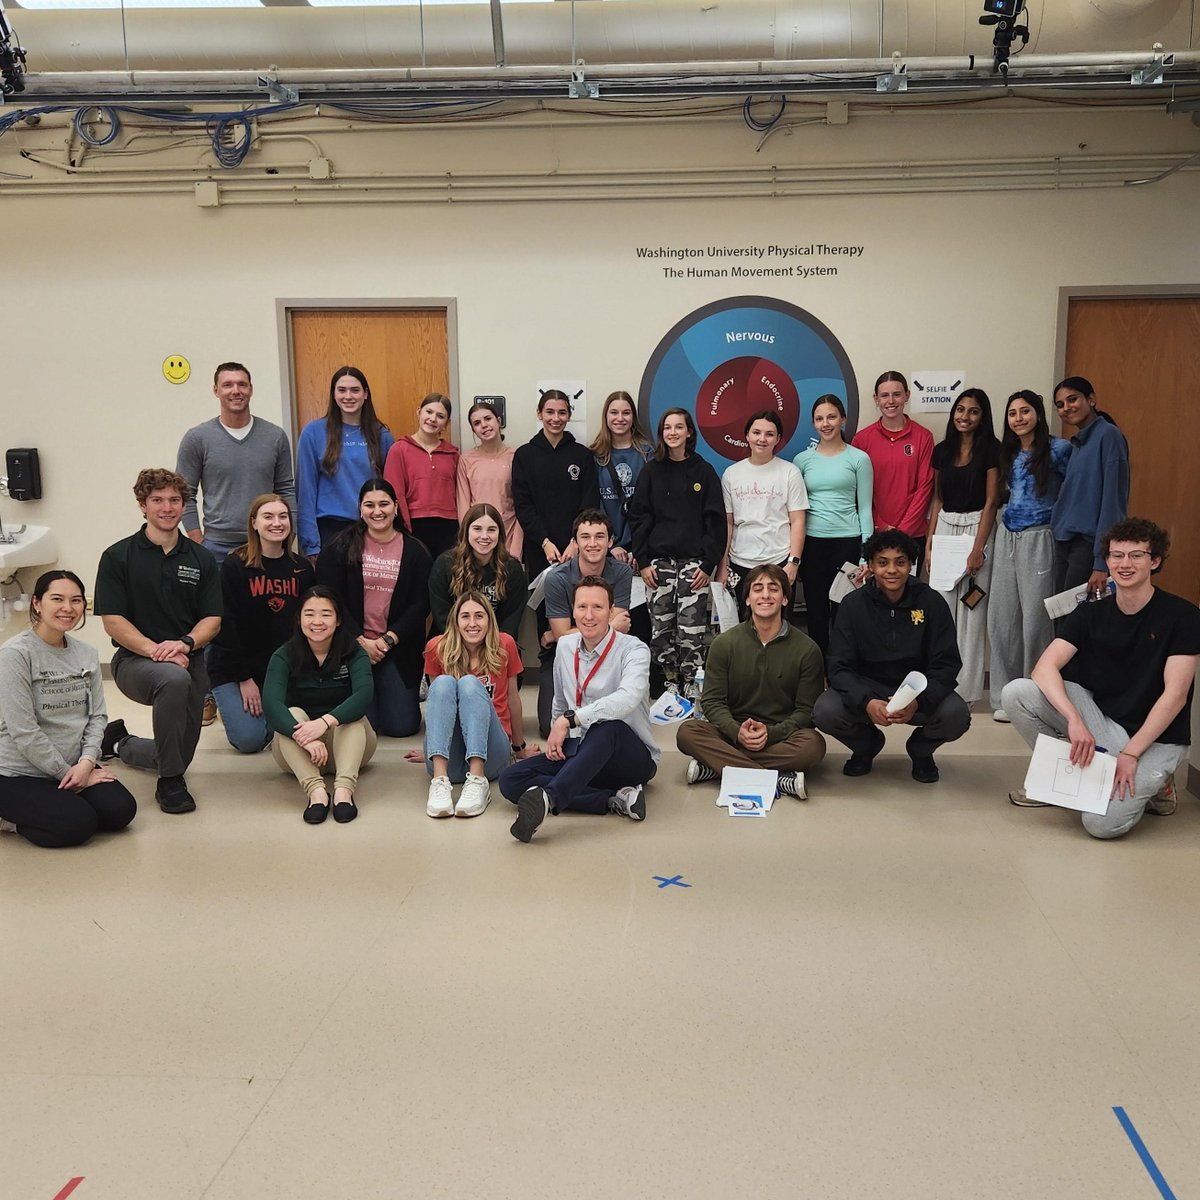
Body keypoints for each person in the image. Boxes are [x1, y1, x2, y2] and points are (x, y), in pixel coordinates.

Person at [1002, 518, 1199, 839]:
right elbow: (1044, 667)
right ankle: (1063, 778)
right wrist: (1074, 721)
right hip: (1102, 721)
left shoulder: (1183, 616)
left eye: (1136, 555)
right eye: (1117, 555)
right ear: (1106, 561)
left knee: (1100, 826)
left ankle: (1160, 785)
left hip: (1157, 738)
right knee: (1017, 693)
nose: (1125, 564)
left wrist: (1132, 753)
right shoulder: (1091, 611)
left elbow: (1175, 696)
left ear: (1155, 561)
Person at [95, 468, 222, 814]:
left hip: (188, 657)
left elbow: (212, 620)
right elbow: (112, 621)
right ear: (142, 505)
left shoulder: (201, 558)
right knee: (173, 678)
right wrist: (156, 650)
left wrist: (183, 644)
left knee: (179, 752)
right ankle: (169, 783)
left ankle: (120, 743)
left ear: (184, 506)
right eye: (157, 500)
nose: (167, 508)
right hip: (135, 661)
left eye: (174, 500)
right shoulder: (118, 556)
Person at [499, 575, 658, 843]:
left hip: (629, 757)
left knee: (607, 727)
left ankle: (549, 798)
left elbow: (627, 699)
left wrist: (572, 720)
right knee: (510, 780)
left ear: (611, 611)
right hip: (580, 751)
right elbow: (560, 702)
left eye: (597, 607)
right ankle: (612, 798)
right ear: (572, 611)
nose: (589, 615)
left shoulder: (634, 649)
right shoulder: (566, 646)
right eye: (582, 607)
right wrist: (554, 732)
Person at [814, 530, 970, 783]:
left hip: (917, 689)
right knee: (825, 711)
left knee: (957, 714)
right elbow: (839, 666)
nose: (892, 570)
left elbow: (946, 663)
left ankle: (921, 751)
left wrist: (918, 702)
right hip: (868, 685)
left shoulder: (932, 602)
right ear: (871, 566)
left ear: (910, 565)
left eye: (900, 562)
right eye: (882, 562)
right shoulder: (853, 605)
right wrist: (866, 702)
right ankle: (866, 746)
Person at [0, 571, 137, 848]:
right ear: (37, 603)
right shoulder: (15, 654)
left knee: (120, 811)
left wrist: (86, 764)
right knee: (77, 825)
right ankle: (8, 819)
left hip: (75, 766)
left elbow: (97, 717)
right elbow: (24, 732)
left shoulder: (86, 653)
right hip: (19, 772)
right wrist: (67, 775)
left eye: (76, 600)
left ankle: (61, 796)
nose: (68, 608)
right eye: (57, 599)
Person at [677, 564, 826, 797]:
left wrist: (771, 733)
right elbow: (713, 702)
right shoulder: (724, 644)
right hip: (732, 732)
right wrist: (737, 732)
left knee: (813, 745)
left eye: (773, 589)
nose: (765, 595)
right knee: (687, 732)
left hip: (781, 736)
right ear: (747, 599)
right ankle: (775, 779)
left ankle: (717, 767)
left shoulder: (807, 649)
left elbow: (807, 712)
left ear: (785, 599)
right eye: (758, 589)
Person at [316, 478, 431, 738]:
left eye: (384, 504)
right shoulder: (340, 547)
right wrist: (360, 641)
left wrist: (387, 640)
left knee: (401, 726)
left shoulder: (415, 551)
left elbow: (420, 603)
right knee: (365, 723)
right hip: (351, 645)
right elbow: (330, 599)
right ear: (360, 509)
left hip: (396, 648)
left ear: (396, 507)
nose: (377, 511)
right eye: (369, 505)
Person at [629, 406, 725, 698]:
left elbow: (716, 521)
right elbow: (639, 518)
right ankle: (670, 679)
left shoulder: (703, 471)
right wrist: (643, 562)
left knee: (692, 630)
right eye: (667, 428)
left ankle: (692, 681)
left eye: (678, 427)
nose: (673, 432)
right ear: (661, 434)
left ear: (689, 432)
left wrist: (708, 564)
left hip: (695, 565)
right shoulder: (651, 470)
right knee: (661, 629)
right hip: (658, 565)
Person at [987, 390, 1072, 721]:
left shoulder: (1058, 450)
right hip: (1007, 537)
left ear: (1038, 413)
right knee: (1002, 617)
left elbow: (1073, 493)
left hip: (1040, 538)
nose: (1019, 418)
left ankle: (1034, 694)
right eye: (1012, 413)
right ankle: (1004, 697)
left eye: (1025, 411)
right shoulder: (1006, 453)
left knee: (1036, 619)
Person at [208, 494, 316, 752]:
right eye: (268, 517)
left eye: (283, 516)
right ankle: (234, 708)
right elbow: (226, 626)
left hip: (282, 670)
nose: (276, 523)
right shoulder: (236, 565)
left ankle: (266, 711)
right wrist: (244, 679)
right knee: (250, 741)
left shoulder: (301, 568)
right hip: (237, 670)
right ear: (254, 523)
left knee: (300, 728)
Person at [263, 586, 376, 824]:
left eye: (326, 614)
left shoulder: (354, 652)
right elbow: (271, 705)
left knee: (352, 717)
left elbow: (364, 695)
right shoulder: (284, 655)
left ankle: (344, 792)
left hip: (347, 746)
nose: (317, 621)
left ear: (338, 620)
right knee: (291, 714)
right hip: (300, 751)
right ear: (299, 619)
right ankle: (317, 793)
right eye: (309, 613)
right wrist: (306, 737)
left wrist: (324, 723)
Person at [420, 592, 537, 819]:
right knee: (444, 683)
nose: (472, 624)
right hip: (451, 758)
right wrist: (431, 746)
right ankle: (439, 779)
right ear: (455, 621)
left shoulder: (505, 644)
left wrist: (519, 747)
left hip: (491, 755)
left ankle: (477, 780)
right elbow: (437, 704)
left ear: (489, 620)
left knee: (469, 684)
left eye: (479, 616)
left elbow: (513, 699)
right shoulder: (437, 647)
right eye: (465, 616)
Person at [176, 362, 297, 567]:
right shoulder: (197, 438)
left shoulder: (275, 436)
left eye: (242, 384)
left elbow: (285, 488)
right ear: (216, 390)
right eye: (227, 385)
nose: (236, 391)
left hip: (265, 544)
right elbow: (185, 493)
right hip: (216, 548)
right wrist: (198, 542)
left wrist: (288, 536)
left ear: (250, 389)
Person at [925, 388, 1000, 705]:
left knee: (971, 612)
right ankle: (940, 685)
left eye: (973, 411)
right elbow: (937, 499)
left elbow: (992, 501)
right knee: (941, 612)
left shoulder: (992, 450)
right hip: (945, 528)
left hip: (976, 529)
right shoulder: (943, 450)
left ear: (983, 417)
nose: (964, 416)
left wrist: (978, 548)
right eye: (960, 409)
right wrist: (929, 545)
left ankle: (966, 693)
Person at [538, 508, 634, 736]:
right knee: (546, 725)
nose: (593, 543)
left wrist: (560, 633)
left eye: (600, 536)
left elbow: (620, 628)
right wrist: (560, 635)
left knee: (614, 724)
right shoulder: (557, 578)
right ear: (575, 542)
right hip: (564, 654)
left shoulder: (622, 573)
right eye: (585, 537)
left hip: (608, 652)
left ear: (610, 541)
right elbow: (614, 625)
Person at [792, 395, 874, 657]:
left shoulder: (859, 458)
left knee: (845, 610)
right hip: (813, 544)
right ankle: (819, 671)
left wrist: (865, 554)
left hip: (847, 543)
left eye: (831, 417)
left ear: (843, 419)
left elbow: (865, 508)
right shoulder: (802, 460)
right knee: (816, 610)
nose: (825, 423)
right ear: (813, 423)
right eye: (819, 418)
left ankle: (843, 669)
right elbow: (796, 511)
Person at [717, 409, 808, 619]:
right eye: (756, 432)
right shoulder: (731, 474)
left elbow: (798, 520)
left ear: (777, 439)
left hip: (779, 562)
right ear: (747, 435)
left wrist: (793, 563)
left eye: (769, 434)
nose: (762, 439)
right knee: (743, 629)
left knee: (781, 627)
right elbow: (728, 524)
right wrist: (723, 566)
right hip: (741, 563)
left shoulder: (789, 472)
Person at [296, 365, 395, 556]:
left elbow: (391, 491)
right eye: (341, 390)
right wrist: (310, 546)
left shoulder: (382, 436)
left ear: (365, 394)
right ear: (333, 395)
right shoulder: (313, 433)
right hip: (329, 531)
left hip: (371, 528)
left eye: (355, 390)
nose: (348, 396)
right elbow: (305, 492)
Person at [1050, 375, 1130, 596]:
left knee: (1075, 621)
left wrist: (1102, 562)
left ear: (1091, 399)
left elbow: (1113, 503)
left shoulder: (1109, 436)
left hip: (1087, 545)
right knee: (1061, 620)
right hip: (1064, 542)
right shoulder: (1077, 443)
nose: (1066, 408)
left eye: (1072, 399)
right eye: (1060, 405)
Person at [851, 371, 934, 568]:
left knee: (909, 595)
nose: (891, 401)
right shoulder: (862, 440)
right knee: (876, 595)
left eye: (896, 394)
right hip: (875, 534)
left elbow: (925, 487)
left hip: (913, 535)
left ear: (907, 395)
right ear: (876, 399)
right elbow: (858, 493)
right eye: (884, 395)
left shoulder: (924, 437)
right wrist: (881, 525)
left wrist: (901, 532)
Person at [428, 503, 528, 641]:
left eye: (491, 530)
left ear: (500, 534)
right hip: (451, 641)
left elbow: (510, 622)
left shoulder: (512, 570)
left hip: (495, 644)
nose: (484, 536)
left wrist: (487, 648)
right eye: (477, 529)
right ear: (466, 531)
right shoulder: (445, 564)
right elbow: (442, 616)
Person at [383, 392, 460, 561]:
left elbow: (459, 494)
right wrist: (403, 528)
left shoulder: (453, 454)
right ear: (419, 412)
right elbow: (395, 493)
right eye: (429, 412)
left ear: (446, 423)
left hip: (448, 527)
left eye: (440, 416)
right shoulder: (399, 449)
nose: (433, 419)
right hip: (414, 525)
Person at [589, 389, 655, 565]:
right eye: (614, 412)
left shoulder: (648, 454)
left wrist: (640, 548)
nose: (620, 418)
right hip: (605, 549)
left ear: (633, 417)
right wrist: (611, 544)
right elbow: (594, 505)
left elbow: (653, 505)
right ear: (606, 416)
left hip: (640, 550)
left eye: (626, 413)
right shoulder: (594, 456)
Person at [456, 400, 523, 557]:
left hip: (509, 536)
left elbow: (523, 505)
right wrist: (469, 541)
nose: (484, 425)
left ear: (498, 421)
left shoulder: (517, 457)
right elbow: (463, 506)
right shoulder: (466, 460)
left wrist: (516, 547)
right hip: (478, 539)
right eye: (477, 423)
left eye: (488, 418)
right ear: (473, 430)